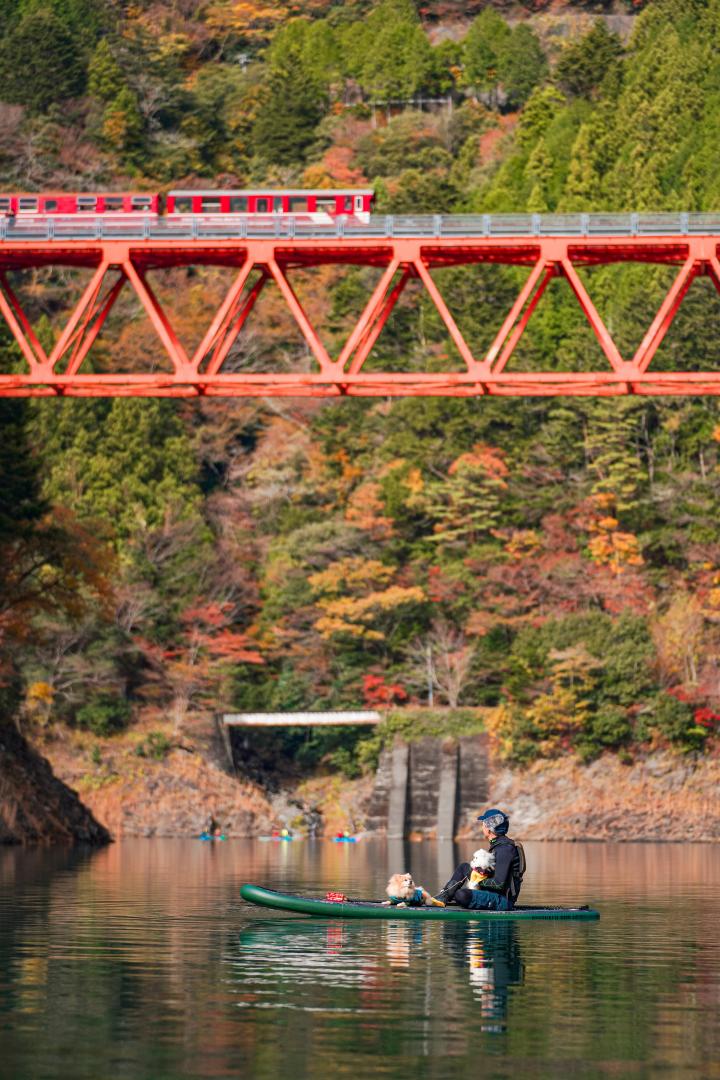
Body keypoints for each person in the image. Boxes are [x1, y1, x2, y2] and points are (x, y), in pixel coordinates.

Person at [434, 808, 524, 911]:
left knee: (461, 895)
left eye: (483, 824)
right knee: (464, 867)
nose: (482, 826)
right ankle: (443, 897)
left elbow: (499, 884)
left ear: (489, 828)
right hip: (495, 894)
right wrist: (480, 873)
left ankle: (455, 896)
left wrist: (477, 880)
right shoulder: (499, 845)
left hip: (503, 900)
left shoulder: (505, 849)